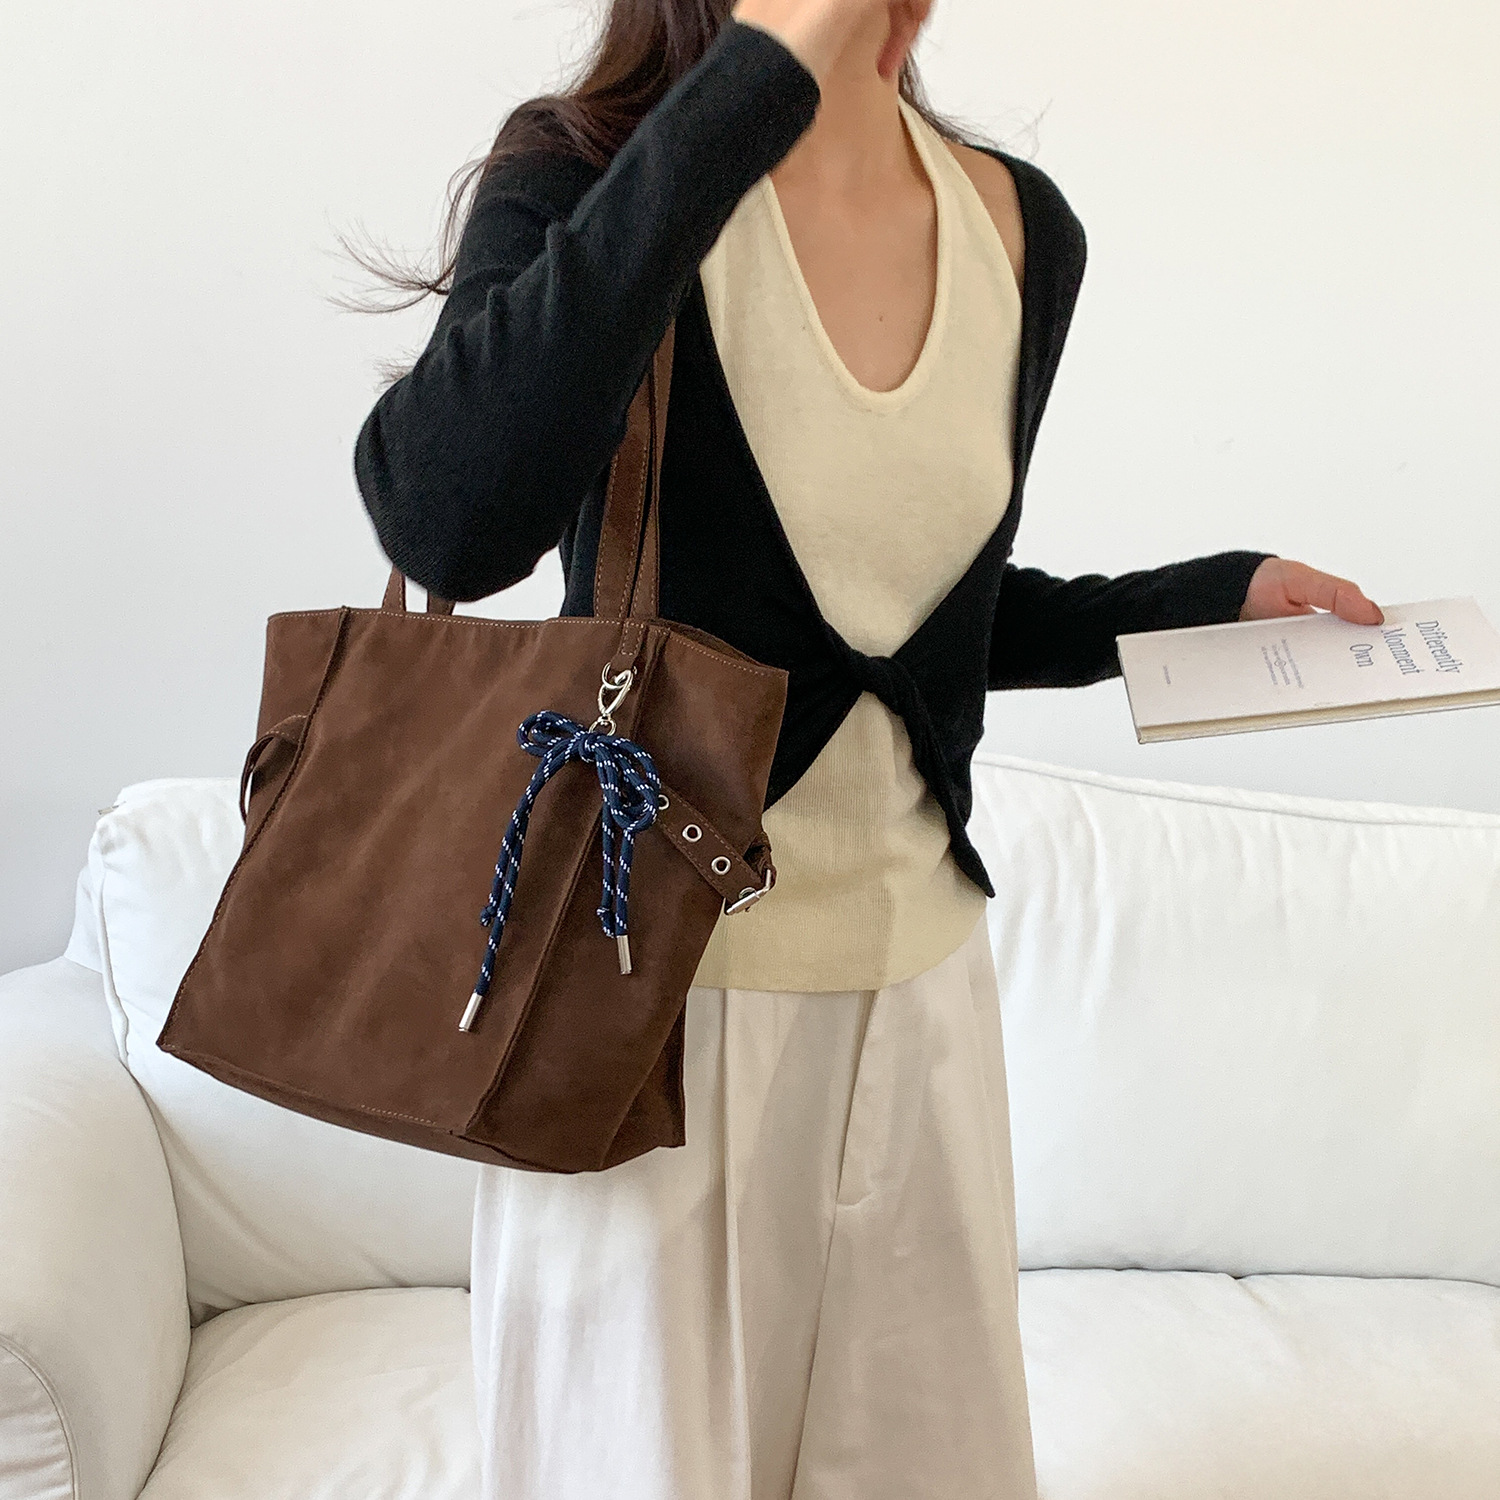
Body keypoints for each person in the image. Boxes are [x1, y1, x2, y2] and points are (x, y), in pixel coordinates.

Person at [351, 2, 1383, 1494]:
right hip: (648, 1012)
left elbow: (902, 627)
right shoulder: (590, 172)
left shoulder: (1020, 227)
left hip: (921, 1009)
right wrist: (752, 86)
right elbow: (445, 521)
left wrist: (1202, 603)